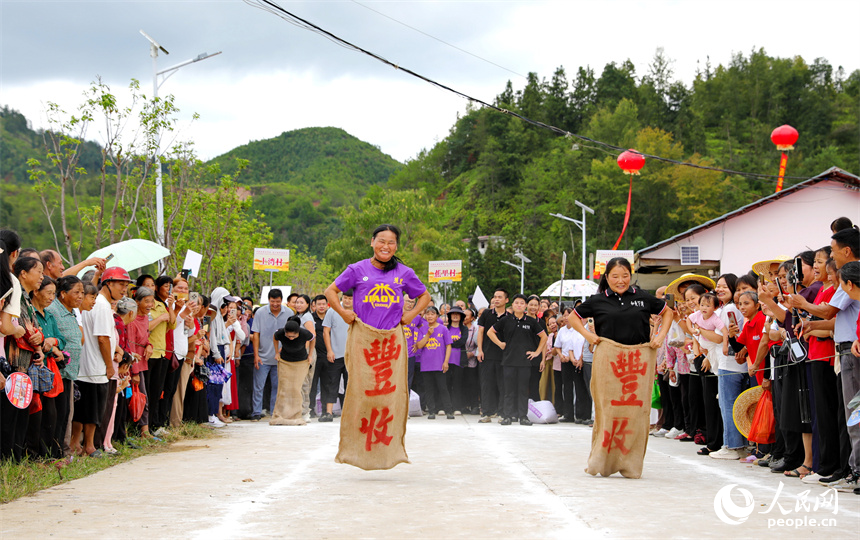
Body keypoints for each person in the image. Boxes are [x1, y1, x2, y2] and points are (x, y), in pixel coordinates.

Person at [570, 257, 673, 478]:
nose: (620, 280)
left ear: (631, 275)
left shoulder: (642, 297)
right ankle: (602, 460)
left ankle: (630, 463)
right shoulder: (597, 300)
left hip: (638, 363)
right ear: (606, 277)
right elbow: (573, 317)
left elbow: (668, 312)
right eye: (615, 276)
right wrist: (589, 335)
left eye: (625, 275)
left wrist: (659, 336)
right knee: (608, 411)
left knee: (637, 412)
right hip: (609, 361)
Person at [72, 267, 131, 457]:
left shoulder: (98, 303)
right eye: (121, 284)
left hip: (89, 365)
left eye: (126, 285)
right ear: (108, 283)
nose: (124, 289)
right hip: (95, 366)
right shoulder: (103, 305)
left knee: (86, 408)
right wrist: (108, 365)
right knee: (92, 409)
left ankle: (81, 445)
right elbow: (103, 338)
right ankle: (88, 446)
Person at [487, 294, 548, 426]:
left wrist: (537, 352)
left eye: (522, 303)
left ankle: (523, 416)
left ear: (525, 306)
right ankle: (508, 416)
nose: (519, 305)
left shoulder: (531, 321)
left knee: (522, 390)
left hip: (525, 362)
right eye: (516, 303)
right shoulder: (506, 320)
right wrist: (500, 344)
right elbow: (490, 332)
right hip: (508, 361)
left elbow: (544, 337)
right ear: (512, 305)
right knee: (509, 390)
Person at [46, 275, 83, 456]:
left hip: (69, 372)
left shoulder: (71, 311)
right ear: (62, 294)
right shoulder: (53, 310)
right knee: (59, 415)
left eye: (82, 292)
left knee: (67, 413)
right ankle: (58, 452)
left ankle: (64, 451)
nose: (80, 296)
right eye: (76, 292)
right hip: (57, 371)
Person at [251, 288, 293, 421]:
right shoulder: (260, 313)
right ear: (268, 300)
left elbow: (292, 334)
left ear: (282, 301)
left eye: (278, 302)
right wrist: (256, 355)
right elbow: (256, 334)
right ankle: (256, 412)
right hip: (263, 356)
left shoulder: (289, 313)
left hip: (281, 357)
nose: (275, 304)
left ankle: (275, 411)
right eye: (272, 301)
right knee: (258, 386)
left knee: (278, 386)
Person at [270, 317, 315, 425]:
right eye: (288, 336)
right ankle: (281, 414)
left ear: (298, 332)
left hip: (301, 362)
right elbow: (275, 338)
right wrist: (276, 352)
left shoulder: (304, 333)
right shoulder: (280, 333)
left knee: (296, 388)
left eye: (293, 336)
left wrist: (310, 355)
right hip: (285, 361)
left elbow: (313, 339)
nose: (291, 338)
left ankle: (296, 414)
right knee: (284, 388)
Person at [476, 288, 509, 423]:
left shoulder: (509, 317)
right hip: (487, 355)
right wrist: (480, 350)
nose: (496, 299)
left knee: (503, 385)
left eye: (500, 297)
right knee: (486, 384)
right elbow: (481, 332)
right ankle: (487, 412)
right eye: (495, 297)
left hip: (504, 357)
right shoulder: (486, 314)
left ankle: (502, 412)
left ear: (506, 300)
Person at [416, 306, 454, 419]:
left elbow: (449, 346)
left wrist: (446, 362)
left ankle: (449, 411)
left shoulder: (443, 329)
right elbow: (419, 345)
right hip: (426, 365)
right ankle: (431, 411)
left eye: (432, 314)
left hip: (439, 364)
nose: (430, 316)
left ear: (437, 316)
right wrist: (428, 334)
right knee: (429, 389)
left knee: (443, 388)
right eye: (428, 314)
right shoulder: (422, 329)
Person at [320, 289, 352, 422]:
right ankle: (328, 412)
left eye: (350, 298)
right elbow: (326, 332)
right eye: (345, 297)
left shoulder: (359, 311)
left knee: (350, 385)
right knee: (331, 383)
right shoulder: (333, 310)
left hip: (352, 356)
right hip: (335, 354)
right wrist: (329, 350)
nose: (347, 300)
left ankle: (349, 413)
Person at [445, 305, 468, 414]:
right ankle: (447, 407)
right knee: (446, 384)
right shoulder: (446, 328)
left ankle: (457, 407)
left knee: (458, 384)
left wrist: (449, 343)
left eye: (457, 314)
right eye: (453, 314)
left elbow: (462, 341)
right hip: (446, 361)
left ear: (461, 316)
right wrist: (450, 344)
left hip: (459, 360)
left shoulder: (464, 329)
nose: (455, 316)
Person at [309, 294, 329, 418]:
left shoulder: (331, 317)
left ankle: (326, 410)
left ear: (327, 305)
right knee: (312, 384)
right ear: (314, 306)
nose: (321, 306)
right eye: (319, 304)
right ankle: (310, 409)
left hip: (328, 356)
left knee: (326, 384)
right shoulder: (310, 319)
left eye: (323, 304)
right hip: (314, 356)